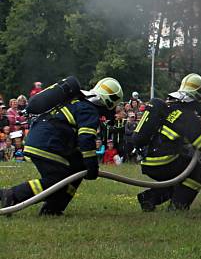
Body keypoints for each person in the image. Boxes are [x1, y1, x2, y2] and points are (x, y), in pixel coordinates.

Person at [0, 77, 123, 215]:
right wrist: (92, 166)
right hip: (48, 143)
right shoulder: (89, 110)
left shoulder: (78, 100)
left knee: (75, 170)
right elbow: (86, 140)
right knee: (56, 181)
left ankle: (54, 208)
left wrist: (84, 165)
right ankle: (12, 195)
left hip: (41, 139)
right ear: (108, 102)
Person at [134, 73, 201, 211]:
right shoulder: (188, 116)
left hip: (148, 161)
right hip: (163, 162)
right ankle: (178, 207)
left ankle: (149, 198)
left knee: (181, 176)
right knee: (199, 171)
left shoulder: (171, 108)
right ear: (197, 96)